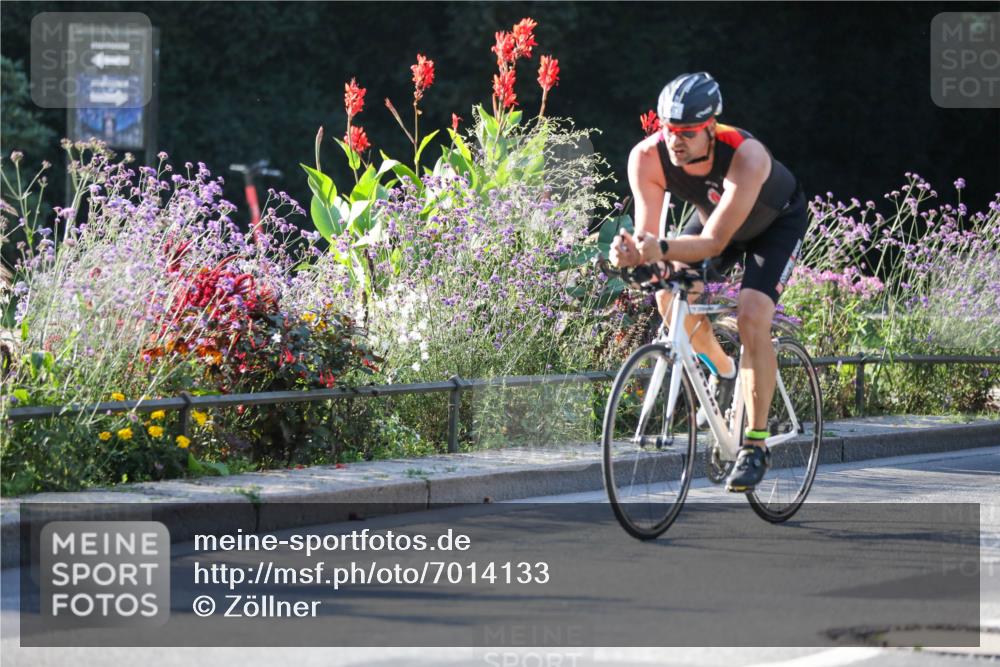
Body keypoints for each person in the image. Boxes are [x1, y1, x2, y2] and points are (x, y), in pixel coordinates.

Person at [610, 72, 808, 492]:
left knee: (753, 313)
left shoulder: (746, 155)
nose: (674, 141)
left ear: (712, 128)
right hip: (715, 222)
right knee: (668, 295)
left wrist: (657, 249)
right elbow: (651, 240)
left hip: (773, 226)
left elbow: (715, 241)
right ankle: (725, 369)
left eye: (686, 133)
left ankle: (755, 444)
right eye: (668, 130)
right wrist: (631, 253)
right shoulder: (647, 156)